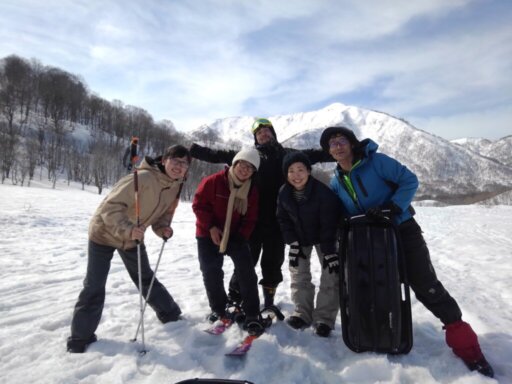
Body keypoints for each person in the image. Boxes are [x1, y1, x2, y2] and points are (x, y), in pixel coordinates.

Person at [319, 126, 494, 377]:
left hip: (402, 231)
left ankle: (468, 348)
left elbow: (409, 180)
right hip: (369, 240)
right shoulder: (337, 180)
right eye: (332, 143)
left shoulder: (376, 162)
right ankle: (379, 335)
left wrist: (392, 207)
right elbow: (340, 212)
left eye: (341, 140)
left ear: (352, 143)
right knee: (375, 286)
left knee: (426, 285)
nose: (337, 146)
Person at [190, 118, 331, 309]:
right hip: (251, 218)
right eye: (259, 133)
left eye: (267, 131)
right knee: (247, 260)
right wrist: (192, 150)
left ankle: (269, 300)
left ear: (273, 133)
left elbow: (315, 155)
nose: (263, 134)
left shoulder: (288, 154)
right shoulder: (249, 156)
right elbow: (220, 155)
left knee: (273, 262)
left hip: (279, 220)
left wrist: (341, 153)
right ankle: (235, 295)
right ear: (255, 138)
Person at [67, 145, 190, 353]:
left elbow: (162, 217)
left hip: (133, 237)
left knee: (145, 277)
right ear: (164, 160)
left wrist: (163, 229)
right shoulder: (142, 178)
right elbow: (109, 208)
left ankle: (170, 314)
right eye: (176, 161)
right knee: (94, 285)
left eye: (184, 164)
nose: (179, 167)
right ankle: (80, 338)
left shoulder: (175, 186)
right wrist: (128, 229)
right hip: (104, 233)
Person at [192, 148, 265, 335]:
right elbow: (199, 205)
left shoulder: (252, 191)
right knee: (211, 272)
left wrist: (241, 236)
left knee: (246, 272)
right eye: (242, 164)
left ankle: (252, 313)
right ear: (234, 163)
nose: (245, 169)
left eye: (250, 167)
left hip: (235, 235)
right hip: (208, 234)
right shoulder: (214, 181)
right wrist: (211, 228)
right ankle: (219, 308)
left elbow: (251, 218)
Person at [276, 152, 342, 337]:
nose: (296, 175)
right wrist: (292, 241)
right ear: (286, 174)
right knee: (298, 274)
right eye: (291, 171)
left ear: (308, 171)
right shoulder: (284, 193)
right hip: (300, 238)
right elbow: (282, 219)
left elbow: (330, 223)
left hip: (324, 238)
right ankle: (302, 314)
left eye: (300, 170)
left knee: (331, 275)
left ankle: (324, 319)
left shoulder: (323, 193)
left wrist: (329, 251)